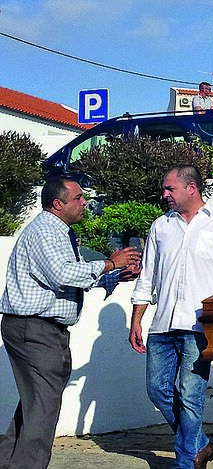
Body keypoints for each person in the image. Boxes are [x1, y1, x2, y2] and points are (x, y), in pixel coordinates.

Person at [0, 176, 140, 469]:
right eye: (77, 198)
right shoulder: (46, 232)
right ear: (57, 203)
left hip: (37, 328)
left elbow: (68, 279)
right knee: (43, 408)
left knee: (35, 405)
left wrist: (115, 276)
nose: (84, 202)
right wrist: (110, 263)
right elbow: (62, 274)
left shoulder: (59, 231)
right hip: (35, 328)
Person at [129, 164, 213, 469]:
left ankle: (186, 462)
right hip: (162, 323)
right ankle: (201, 444)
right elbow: (147, 277)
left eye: (170, 189)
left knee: (191, 395)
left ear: (191, 188)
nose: (164, 194)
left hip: (199, 326)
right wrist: (137, 318)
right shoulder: (160, 226)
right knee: (157, 389)